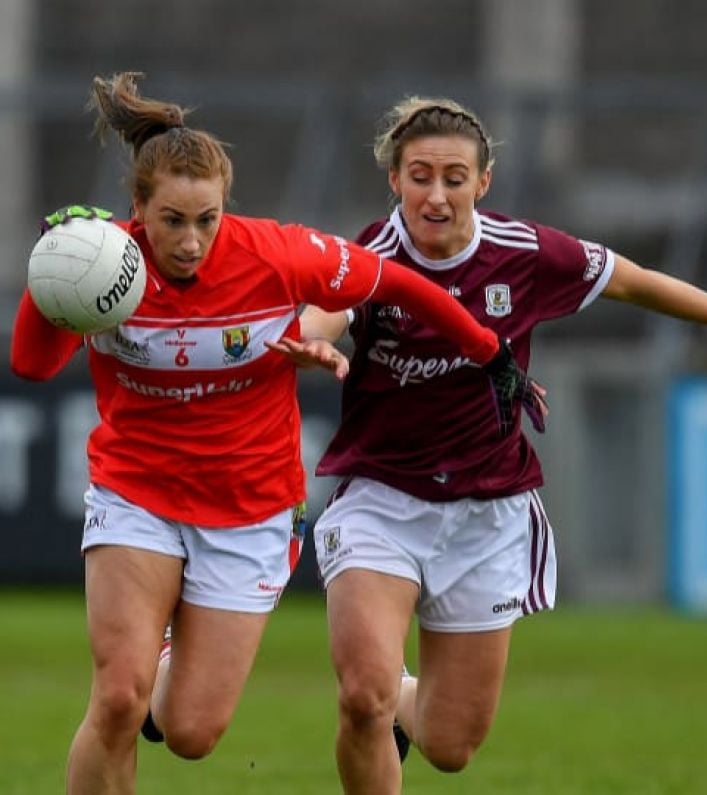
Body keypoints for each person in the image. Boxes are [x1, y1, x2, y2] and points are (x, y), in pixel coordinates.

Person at [9, 75, 530, 795]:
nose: (191, 241)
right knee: (119, 699)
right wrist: (52, 273)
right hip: (137, 494)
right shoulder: (105, 267)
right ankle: (140, 669)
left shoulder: (277, 254)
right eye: (171, 221)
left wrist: (486, 350)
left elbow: (396, 283)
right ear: (137, 210)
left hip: (250, 509)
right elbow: (31, 365)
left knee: (191, 731)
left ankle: (164, 665)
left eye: (207, 219)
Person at [269, 96, 707, 794]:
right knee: (360, 696)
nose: (436, 193)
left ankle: (396, 693)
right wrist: (311, 342)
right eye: (419, 175)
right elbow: (327, 309)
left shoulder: (524, 253)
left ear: (481, 183)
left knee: (450, 745)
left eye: (454, 177)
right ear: (393, 180)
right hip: (380, 500)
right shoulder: (369, 256)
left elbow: (636, 282)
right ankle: (377, 691)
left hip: (487, 514)